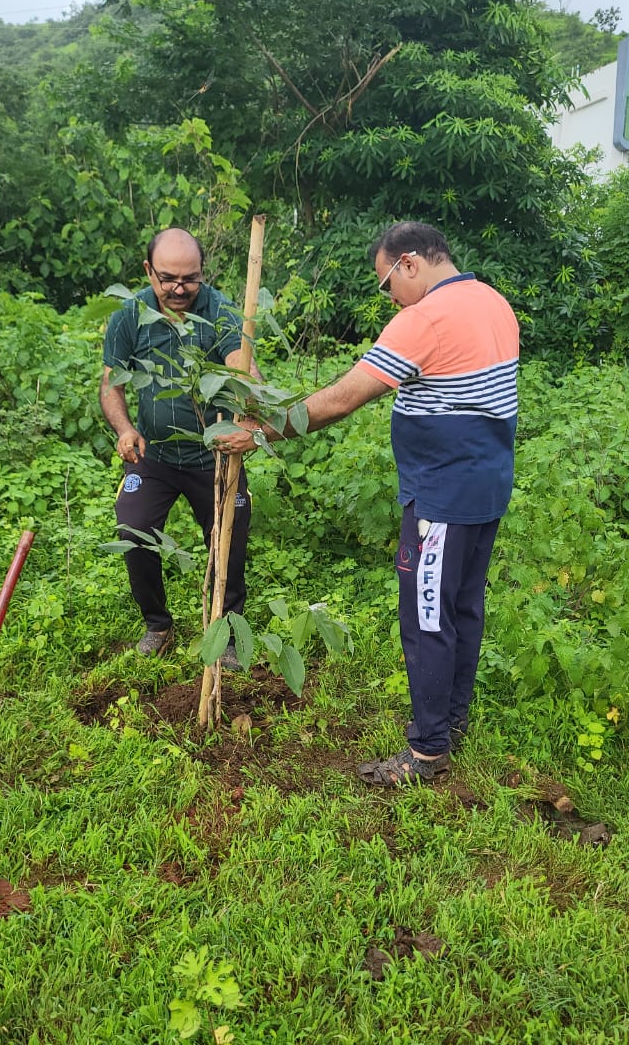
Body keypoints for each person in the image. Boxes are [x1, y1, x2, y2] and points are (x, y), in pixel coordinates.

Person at [218, 221, 519, 785]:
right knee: (461, 607)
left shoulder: (425, 318)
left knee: (428, 614)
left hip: (443, 498)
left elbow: (341, 399)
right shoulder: (492, 302)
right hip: (486, 487)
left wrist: (261, 432)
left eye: (386, 284)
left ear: (409, 263)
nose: (389, 297)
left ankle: (428, 751)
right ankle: (451, 719)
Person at [100, 227, 260, 663]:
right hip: (153, 457)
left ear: (202, 273)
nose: (179, 288)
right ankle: (158, 624)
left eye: (190, 278)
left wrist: (249, 403)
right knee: (133, 532)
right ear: (149, 271)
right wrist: (124, 429)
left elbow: (242, 369)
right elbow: (111, 385)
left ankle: (225, 633)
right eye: (168, 278)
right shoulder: (131, 315)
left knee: (228, 542)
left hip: (214, 458)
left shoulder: (222, 312)